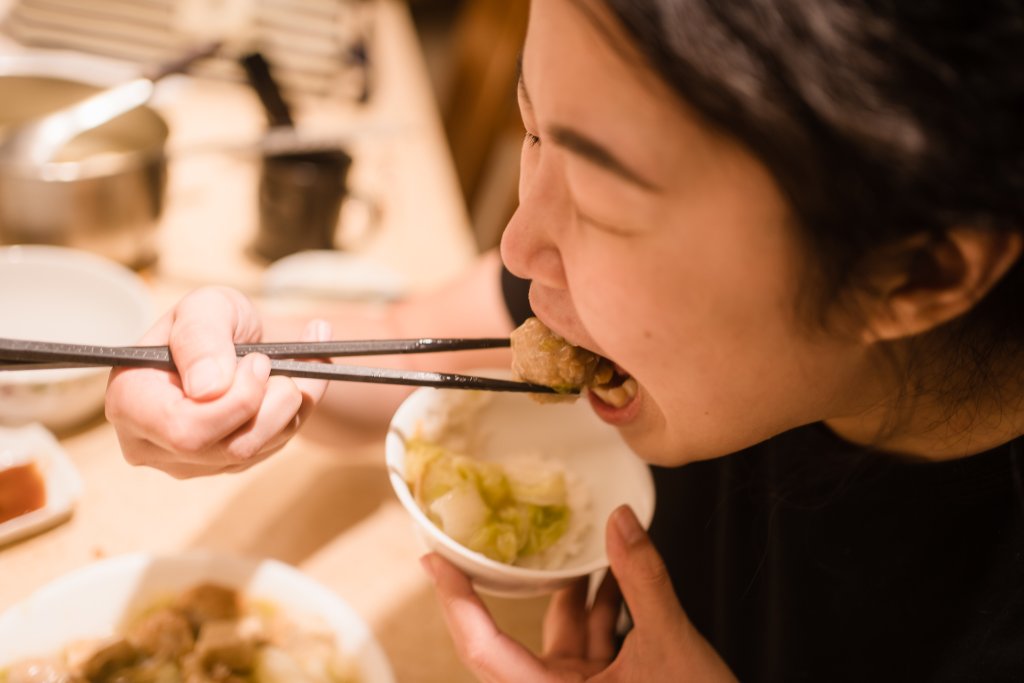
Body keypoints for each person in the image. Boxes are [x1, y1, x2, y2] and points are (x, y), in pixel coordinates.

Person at [105, 0, 1024, 680]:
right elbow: (410, 349)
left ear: (915, 276)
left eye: (601, 203)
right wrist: (239, 363)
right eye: (532, 132)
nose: (517, 243)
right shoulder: (650, 327)